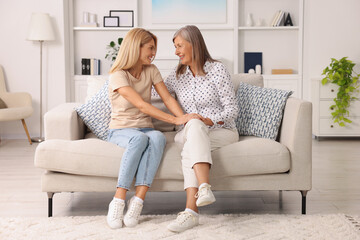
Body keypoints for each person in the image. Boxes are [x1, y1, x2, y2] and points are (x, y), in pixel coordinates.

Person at [106, 28, 201, 229]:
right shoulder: (118, 74)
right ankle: (118, 200)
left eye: (154, 49)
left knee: (157, 138)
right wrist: (173, 120)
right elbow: (141, 104)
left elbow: (167, 97)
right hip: (121, 129)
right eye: (150, 48)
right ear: (135, 48)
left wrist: (183, 119)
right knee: (139, 139)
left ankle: (138, 202)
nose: (153, 53)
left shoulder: (151, 70)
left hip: (145, 128)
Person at [165, 25, 239, 233]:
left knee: (192, 142)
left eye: (179, 46)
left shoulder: (217, 70)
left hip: (222, 132)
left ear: (194, 44)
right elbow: (155, 89)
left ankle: (190, 212)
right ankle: (204, 188)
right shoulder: (178, 75)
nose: (176, 51)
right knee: (193, 127)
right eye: (175, 47)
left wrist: (208, 120)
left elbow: (232, 111)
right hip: (188, 132)